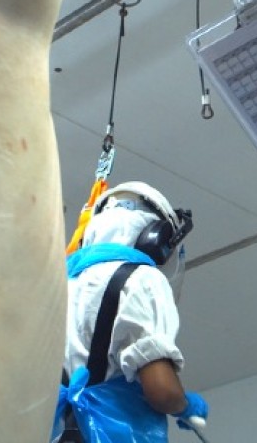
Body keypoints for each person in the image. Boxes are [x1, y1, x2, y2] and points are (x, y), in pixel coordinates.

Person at [53, 181, 209, 442]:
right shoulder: (142, 279)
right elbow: (161, 390)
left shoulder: (61, 286)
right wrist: (183, 405)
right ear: (156, 237)